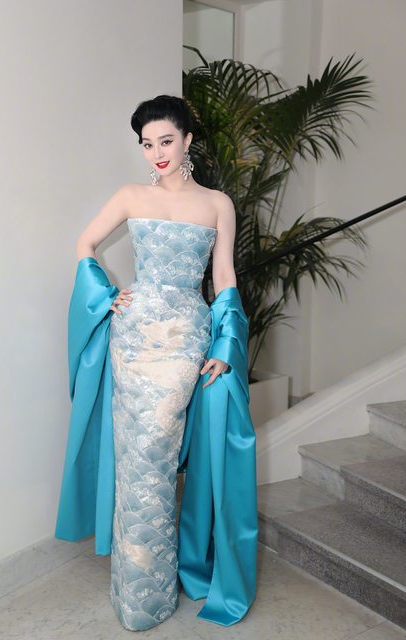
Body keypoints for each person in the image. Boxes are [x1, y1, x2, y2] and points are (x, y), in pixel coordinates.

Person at [55, 94, 258, 631]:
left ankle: (154, 589)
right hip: (134, 338)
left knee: (157, 454)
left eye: (166, 141)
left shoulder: (217, 203)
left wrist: (225, 344)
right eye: (147, 144)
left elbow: (223, 277)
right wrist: (105, 296)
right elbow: (85, 244)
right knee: (134, 460)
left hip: (185, 337)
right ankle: (137, 594)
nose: (157, 153)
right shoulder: (131, 195)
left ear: (188, 140)